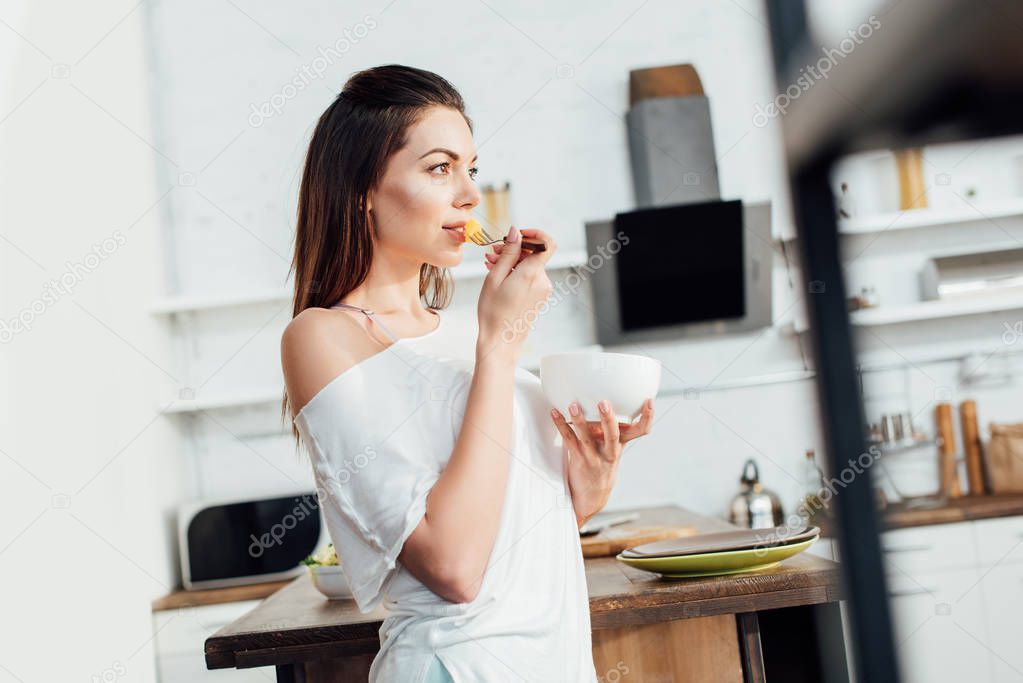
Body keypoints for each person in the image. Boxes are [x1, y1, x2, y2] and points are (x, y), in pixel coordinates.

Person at [280, 64, 655, 683]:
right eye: (439, 168)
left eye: (470, 169)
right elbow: (454, 567)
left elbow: (519, 533)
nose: (469, 195)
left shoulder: (461, 331)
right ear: (362, 189)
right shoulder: (323, 337)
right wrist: (501, 343)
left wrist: (588, 478)